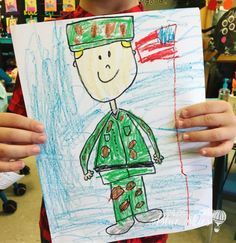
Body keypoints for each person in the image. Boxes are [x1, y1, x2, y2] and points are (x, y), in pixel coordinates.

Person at [3, 0, 236, 242]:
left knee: (135, 185)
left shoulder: (176, 34)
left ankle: (140, 211)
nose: (105, 65)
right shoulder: (39, 44)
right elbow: (16, 147)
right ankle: (123, 218)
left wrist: (215, 131)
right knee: (118, 190)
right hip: (69, 232)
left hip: (147, 235)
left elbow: (152, 130)